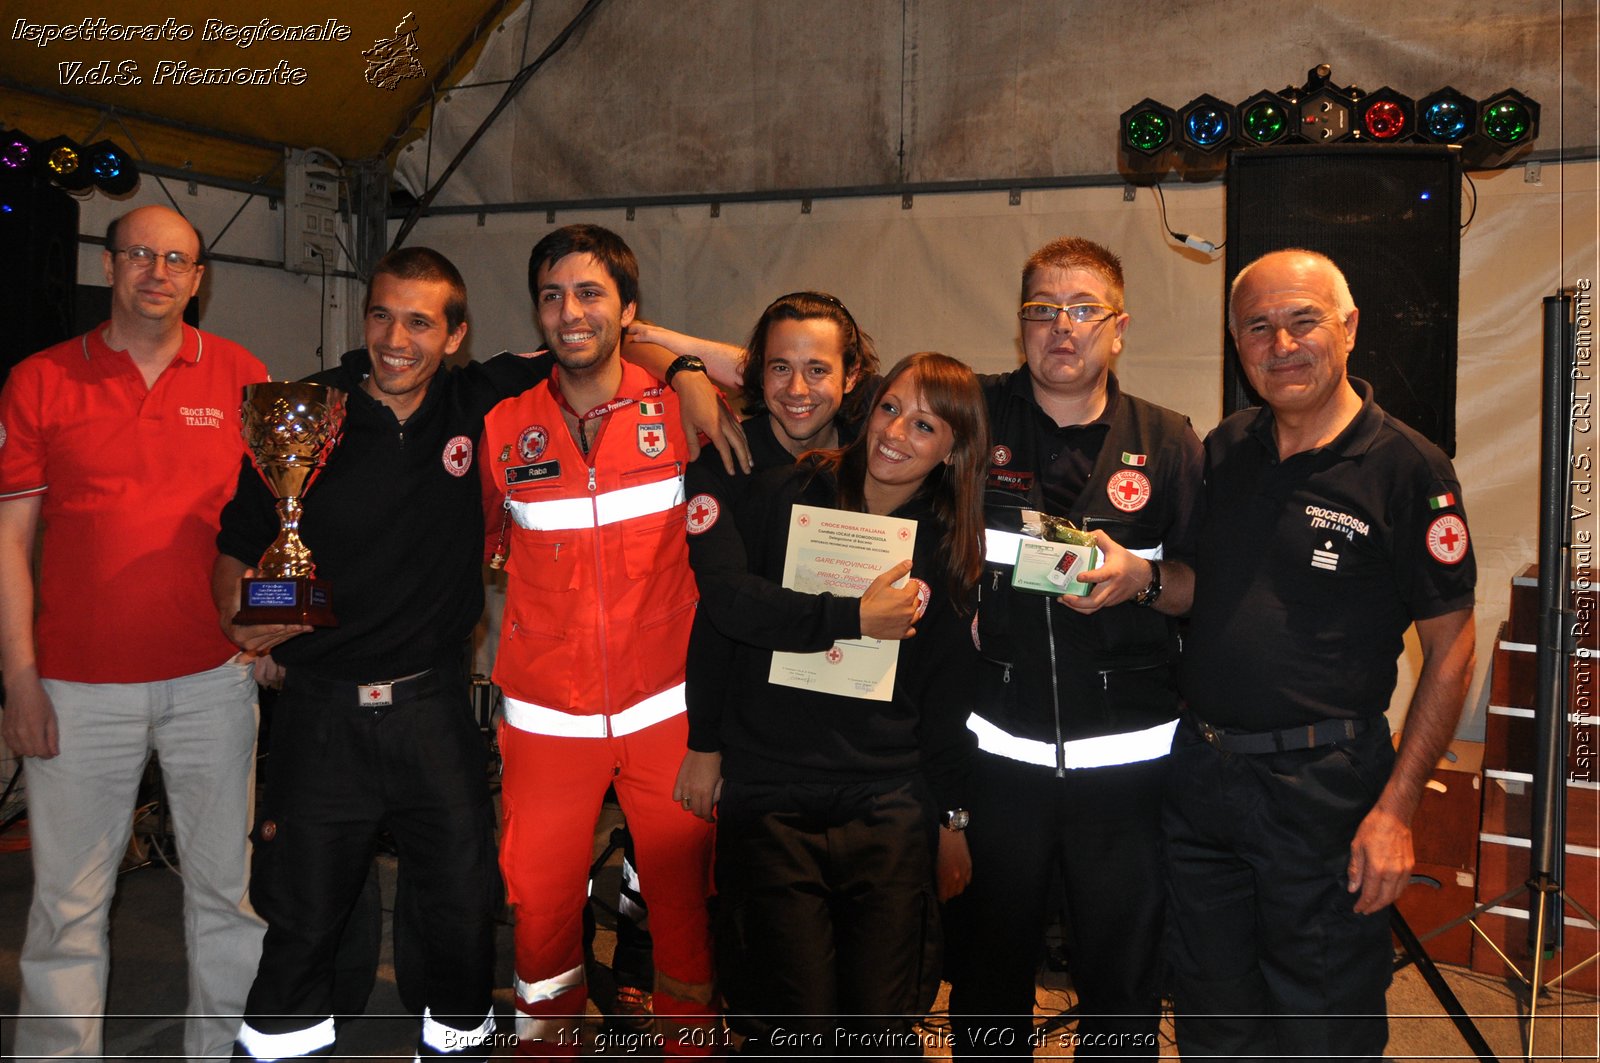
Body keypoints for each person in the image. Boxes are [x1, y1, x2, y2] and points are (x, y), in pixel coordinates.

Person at [218, 245, 742, 1061]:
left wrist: (677, 362)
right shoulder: (332, 410)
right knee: (324, 910)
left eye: (421, 321)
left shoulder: (528, 404)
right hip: (394, 710)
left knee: (493, 901)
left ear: (456, 335)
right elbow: (247, 546)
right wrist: (257, 619)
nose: (398, 337)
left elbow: (680, 353)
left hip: (536, 706)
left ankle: (507, 1042)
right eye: (383, 315)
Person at [1166, 249, 1477, 1060]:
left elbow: (1451, 645)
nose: (1281, 344)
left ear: (1349, 327)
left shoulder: (1409, 467)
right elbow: (1201, 588)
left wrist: (1397, 809)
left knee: (1322, 1025)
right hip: (1203, 784)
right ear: (1237, 343)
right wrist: (1123, 576)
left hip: (1326, 794)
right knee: (1212, 1020)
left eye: (1303, 320)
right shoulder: (1226, 447)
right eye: (1258, 327)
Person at [0, 204, 267, 1059]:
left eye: (177, 259)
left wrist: (265, 638)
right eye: (140, 254)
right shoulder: (39, 379)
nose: (158, 271)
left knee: (226, 898)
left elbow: (271, 526)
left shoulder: (243, 375)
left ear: (200, 279)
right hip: (75, 688)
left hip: (213, 681)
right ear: (109, 266)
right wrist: (19, 679)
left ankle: (219, 1052)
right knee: (66, 906)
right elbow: (8, 540)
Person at [944, 237, 1202, 1059]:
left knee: (1124, 987)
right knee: (986, 980)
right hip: (997, 766)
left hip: (1129, 775)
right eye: (1042, 309)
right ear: (1019, 326)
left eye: (1085, 309)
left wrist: (1144, 580)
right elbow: (826, 386)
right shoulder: (967, 420)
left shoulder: (1169, 442)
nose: (1063, 327)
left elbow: (1207, 586)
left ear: (1119, 328)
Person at [682, 352, 985, 1051]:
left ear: (953, 449)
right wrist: (706, 743)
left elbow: (946, 700)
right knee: (788, 1020)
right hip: (772, 789)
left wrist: (952, 816)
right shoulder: (786, 494)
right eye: (888, 408)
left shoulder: (947, 545)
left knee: (878, 1023)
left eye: (924, 424)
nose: (894, 434)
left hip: (885, 801)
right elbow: (724, 618)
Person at [480, 224, 722, 1057]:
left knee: (684, 905)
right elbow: (463, 552)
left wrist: (682, 360)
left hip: (668, 712)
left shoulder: (682, 411)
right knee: (542, 916)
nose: (569, 312)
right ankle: (548, 1048)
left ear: (629, 310)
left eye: (590, 294)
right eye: (552, 295)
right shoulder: (503, 427)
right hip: (546, 720)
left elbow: (808, 372)